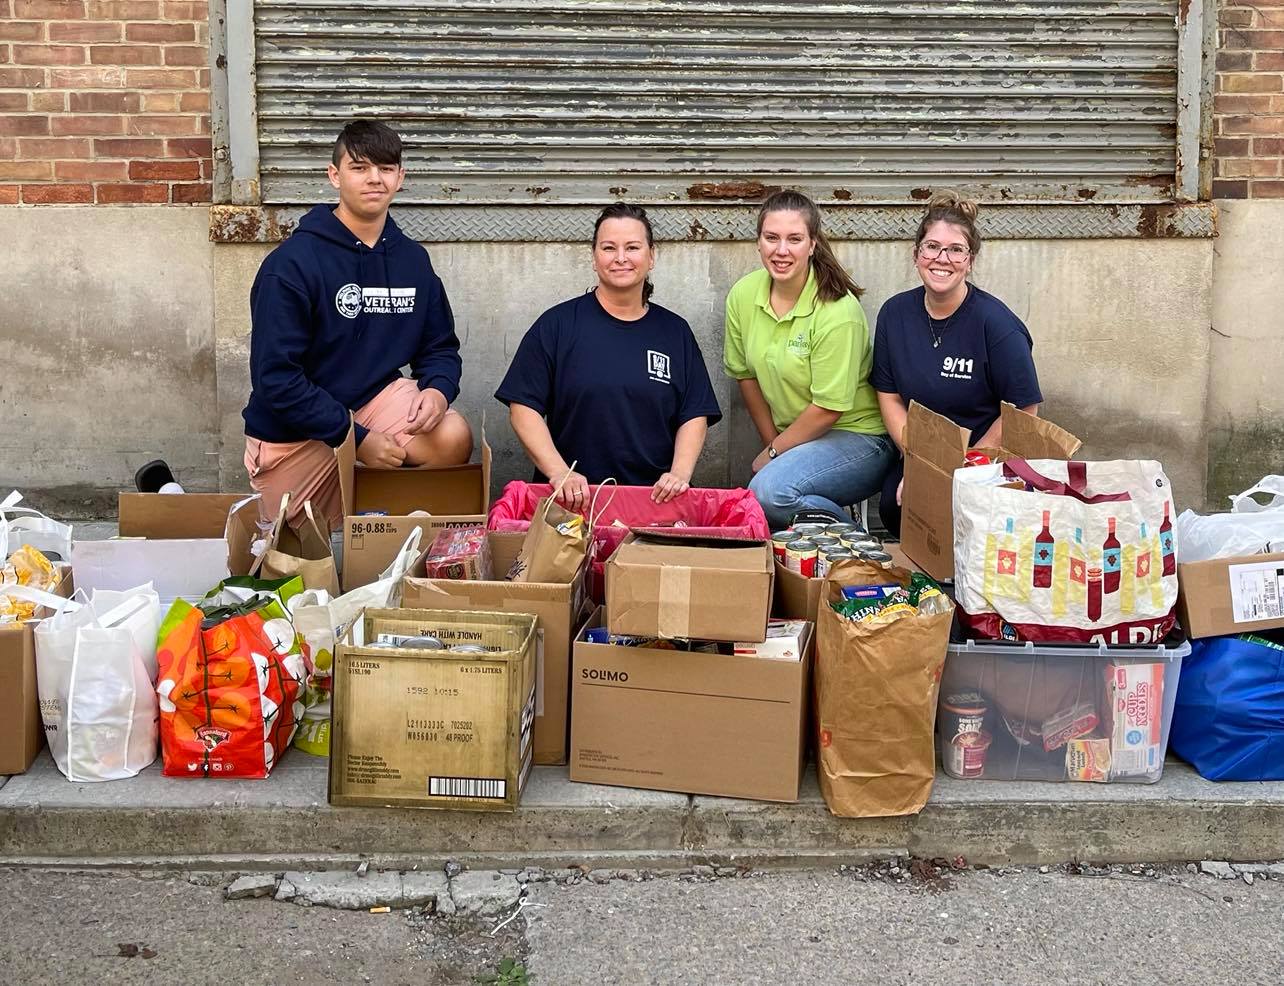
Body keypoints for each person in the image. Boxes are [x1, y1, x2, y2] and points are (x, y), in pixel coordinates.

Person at [241, 120, 473, 531]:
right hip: (296, 432)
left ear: (400, 178)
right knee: (295, 548)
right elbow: (275, 379)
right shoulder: (292, 265)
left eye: (385, 168)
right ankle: (346, 500)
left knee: (451, 433)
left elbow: (439, 346)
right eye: (359, 167)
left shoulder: (412, 261)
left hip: (374, 401)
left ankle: (381, 525)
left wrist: (438, 389)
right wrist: (357, 439)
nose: (374, 179)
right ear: (335, 176)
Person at [495, 203, 722, 511]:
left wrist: (679, 474)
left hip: (655, 505)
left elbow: (694, 412)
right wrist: (559, 472)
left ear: (651, 256)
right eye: (608, 247)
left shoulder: (675, 332)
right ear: (593, 257)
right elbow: (523, 408)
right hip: (575, 506)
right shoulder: (557, 325)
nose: (620, 258)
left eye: (632, 247)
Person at [871, 190, 1044, 537]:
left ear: (970, 260)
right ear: (917, 254)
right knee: (895, 505)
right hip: (922, 450)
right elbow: (889, 397)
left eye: (955, 250)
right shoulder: (894, 314)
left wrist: (964, 472)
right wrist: (924, 467)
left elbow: (1024, 410)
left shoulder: (997, 326)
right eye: (932, 246)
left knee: (965, 516)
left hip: (985, 459)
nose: (942, 258)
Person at [723, 190, 894, 531]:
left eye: (794, 239)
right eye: (771, 238)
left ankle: (861, 555)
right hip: (796, 439)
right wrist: (773, 443)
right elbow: (746, 377)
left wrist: (773, 455)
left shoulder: (838, 311)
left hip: (859, 438)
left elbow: (829, 408)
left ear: (813, 244)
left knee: (770, 493)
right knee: (763, 498)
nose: (781, 250)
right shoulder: (744, 295)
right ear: (758, 242)